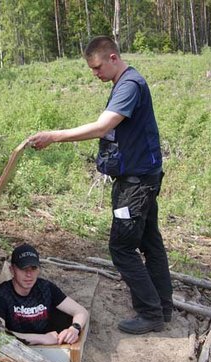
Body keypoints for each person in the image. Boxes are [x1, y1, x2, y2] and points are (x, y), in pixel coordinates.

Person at [27, 36, 173, 335]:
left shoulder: (130, 85)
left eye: (97, 68)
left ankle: (150, 313)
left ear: (113, 58)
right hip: (143, 177)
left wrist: (54, 136)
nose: (95, 74)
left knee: (121, 247)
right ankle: (162, 306)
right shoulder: (125, 83)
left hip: (135, 185)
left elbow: (102, 127)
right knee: (150, 242)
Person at [0, 244, 89, 345]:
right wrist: (42, 338)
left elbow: (81, 311)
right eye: (24, 268)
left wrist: (74, 328)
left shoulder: (46, 288)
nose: (29, 274)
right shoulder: (0, 296)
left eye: (33, 268)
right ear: (12, 270)